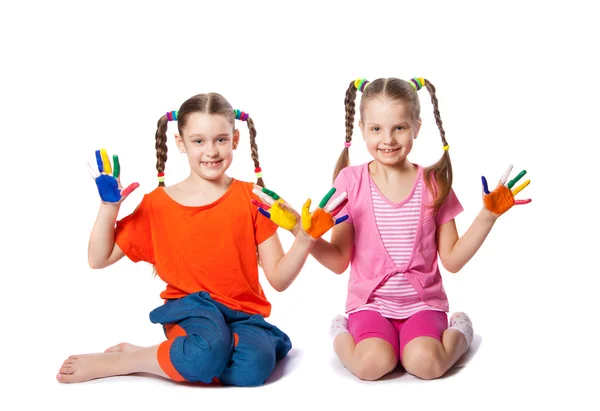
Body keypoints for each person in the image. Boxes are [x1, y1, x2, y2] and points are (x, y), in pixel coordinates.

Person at [57, 92, 318, 386]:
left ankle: (189, 355)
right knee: (207, 349)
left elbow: (279, 279)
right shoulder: (158, 204)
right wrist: (109, 208)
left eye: (220, 139)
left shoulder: (252, 199)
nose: (211, 151)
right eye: (198, 141)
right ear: (181, 143)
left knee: (252, 369)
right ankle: (127, 360)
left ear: (235, 139)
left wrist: (304, 239)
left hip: (243, 314)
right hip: (190, 311)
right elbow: (98, 258)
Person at [309, 77, 531, 381]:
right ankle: (341, 330)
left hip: (423, 305)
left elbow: (452, 259)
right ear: (361, 129)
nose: (387, 139)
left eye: (399, 127)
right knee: (370, 365)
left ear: (417, 126)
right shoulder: (350, 182)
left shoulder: (434, 183)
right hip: (370, 306)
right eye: (376, 129)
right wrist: (307, 238)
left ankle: (460, 329)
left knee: (426, 365)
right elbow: (338, 260)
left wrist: (488, 215)